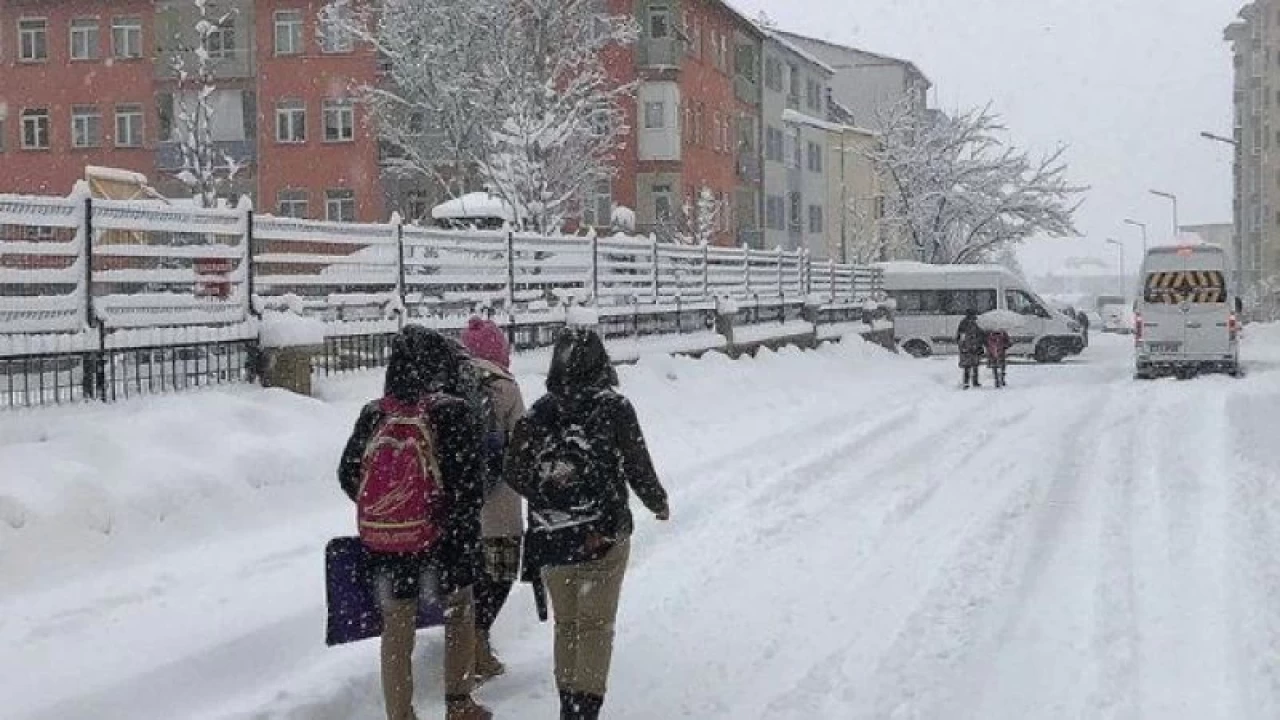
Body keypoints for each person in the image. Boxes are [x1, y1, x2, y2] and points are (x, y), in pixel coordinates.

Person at [505, 327, 670, 720]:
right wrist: (657, 502)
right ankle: (584, 710)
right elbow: (637, 464)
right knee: (595, 626)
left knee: (567, 625)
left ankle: (569, 704)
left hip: (551, 535)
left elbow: (513, 470)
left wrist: (548, 495)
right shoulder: (614, 408)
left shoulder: (539, 413)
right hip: (601, 533)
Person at [338, 326, 492, 720]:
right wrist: (444, 517)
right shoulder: (452, 412)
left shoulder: (375, 414)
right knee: (459, 612)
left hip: (388, 545)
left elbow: (348, 473)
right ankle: (459, 703)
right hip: (445, 541)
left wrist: (390, 508)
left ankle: (400, 714)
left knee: (396, 628)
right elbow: (470, 484)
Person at [459, 316, 526, 682]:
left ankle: (463, 642)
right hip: (499, 504)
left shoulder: (448, 383)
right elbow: (522, 444)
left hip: (459, 504)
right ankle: (478, 639)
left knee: (466, 578)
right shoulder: (505, 387)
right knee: (499, 575)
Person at [956, 309, 987, 389]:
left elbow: (960, 337)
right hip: (970, 347)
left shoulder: (967, 323)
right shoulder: (966, 324)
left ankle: (970, 382)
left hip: (972, 347)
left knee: (972, 365)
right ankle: (969, 382)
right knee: (970, 365)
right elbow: (961, 336)